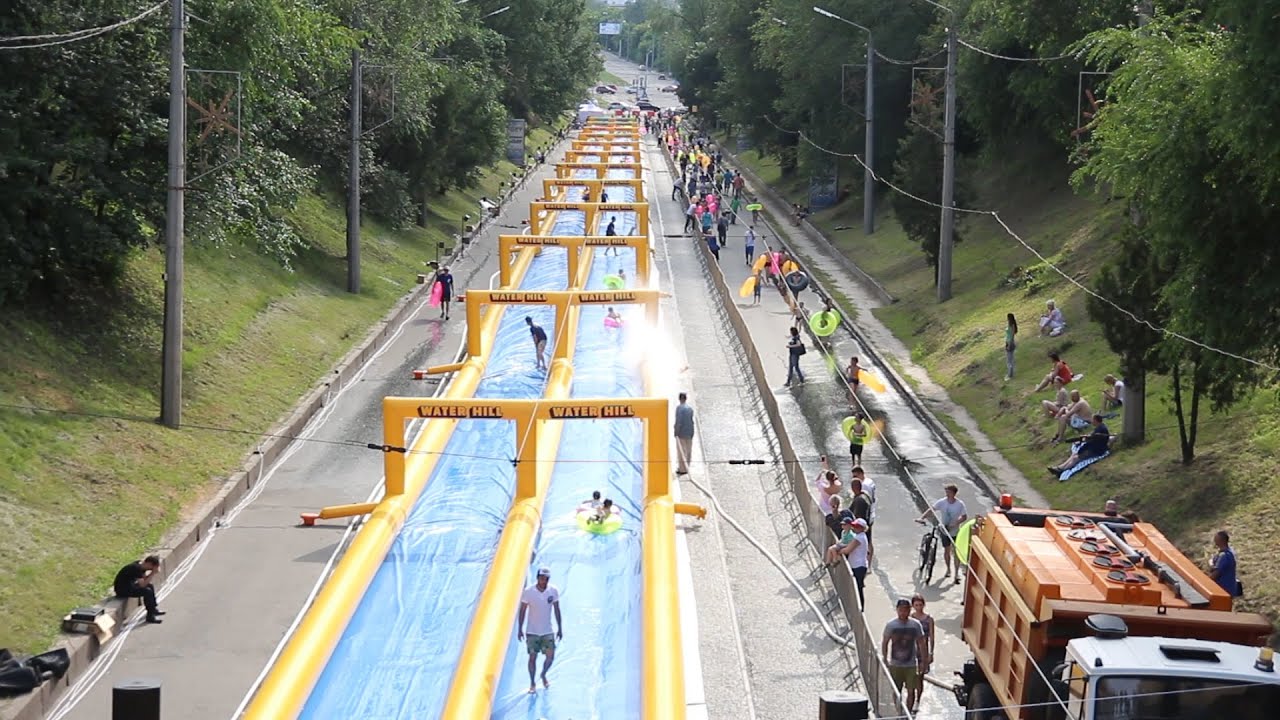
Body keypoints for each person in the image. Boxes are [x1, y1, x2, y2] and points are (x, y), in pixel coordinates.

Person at [517, 567, 563, 693]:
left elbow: (557, 609)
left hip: (547, 630)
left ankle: (543, 674)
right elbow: (523, 610)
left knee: (550, 657)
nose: (544, 581)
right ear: (537, 578)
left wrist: (560, 628)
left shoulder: (553, 591)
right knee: (532, 657)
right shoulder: (528, 592)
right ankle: (532, 682)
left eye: (546, 578)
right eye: (542, 578)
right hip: (532, 631)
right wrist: (520, 628)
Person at [883, 599, 929, 713]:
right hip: (895, 663)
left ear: (909, 610)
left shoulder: (915, 625)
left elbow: (921, 643)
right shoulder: (891, 625)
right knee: (896, 690)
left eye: (906, 610)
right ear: (897, 610)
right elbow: (885, 642)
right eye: (901, 610)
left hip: (911, 664)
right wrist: (885, 659)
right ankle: (898, 711)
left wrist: (924, 661)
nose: (903, 613)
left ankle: (907, 712)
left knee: (911, 690)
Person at [916, 484, 968, 582]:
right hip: (944, 530)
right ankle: (948, 569)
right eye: (946, 492)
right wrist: (922, 517)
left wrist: (955, 523)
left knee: (956, 553)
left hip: (955, 531)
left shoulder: (959, 504)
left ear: (954, 493)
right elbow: (931, 509)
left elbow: (964, 516)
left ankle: (956, 574)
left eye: (948, 492)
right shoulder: (942, 502)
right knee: (947, 551)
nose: (947, 494)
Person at [113, 555, 165, 624]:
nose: (151, 569)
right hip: (122, 589)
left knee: (150, 586)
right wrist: (152, 573)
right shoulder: (136, 569)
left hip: (130, 585)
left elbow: (144, 580)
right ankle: (150, 616)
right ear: (149, 564)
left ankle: (153, 609)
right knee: (147, 592)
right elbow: (143, 585)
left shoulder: (141, 566)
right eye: (152, 567)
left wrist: (150, 574)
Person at [909, 595, 936, 712]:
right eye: (916, 605)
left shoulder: (929, 619)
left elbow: (932, 637)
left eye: (920, 605)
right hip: (910, 651)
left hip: (923, 652)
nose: (918, 607)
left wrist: (931, 653)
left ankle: (918, 700)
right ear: (913, 606)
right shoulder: (910, 618)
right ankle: (910, 697)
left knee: (920, 677)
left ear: (923, 605)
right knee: (911, 676)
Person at [1209, 530, 1242, 598]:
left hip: (1223, 591)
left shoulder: (1224, 556)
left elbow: (1215, 574)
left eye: (1216, 538)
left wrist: (1205, 582)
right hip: (1229, 590)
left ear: (1220, 540)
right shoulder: (1230, 552)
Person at [849, 478, 874, 564]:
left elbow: (857, 515)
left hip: (861, 527)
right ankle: (869, 564)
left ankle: (863, 564)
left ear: (853, 488)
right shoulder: (866, 496)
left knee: (861, 547)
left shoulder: (859, 500)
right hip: (868, 524)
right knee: (869, 543)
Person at [674, 392, 695, 475]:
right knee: (689, 450)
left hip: (681, 433)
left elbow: (678, 422)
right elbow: (691, 421)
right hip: (690, 432)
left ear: (680, 399)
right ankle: (687, 466)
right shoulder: (690, 408)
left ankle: (682, 469)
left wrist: (676, 432)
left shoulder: (679, 408)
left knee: (682, 451)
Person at [1004, 313, 1018, 380]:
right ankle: (1010, 373)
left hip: (1010, 342)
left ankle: (1010, 375)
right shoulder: (1010, 325)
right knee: (1010, 359)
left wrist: (1009, 345)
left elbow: (1012, 335)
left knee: (1009, 360)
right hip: (1008, 342)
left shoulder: (1011, 325)